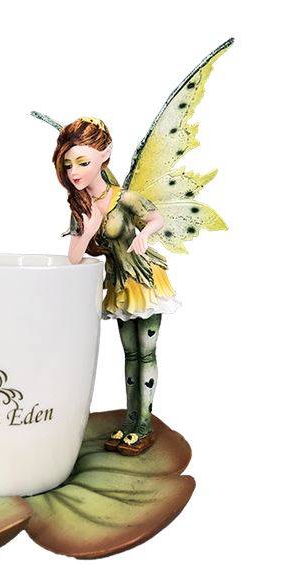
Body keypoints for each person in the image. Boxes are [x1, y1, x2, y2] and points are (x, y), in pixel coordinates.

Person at [53, 117, 180, 456]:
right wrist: (90, 224)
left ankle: (144, 425)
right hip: (120, 283)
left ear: (104, 156)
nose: (75, 171)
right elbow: (74, 257)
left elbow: (156, 218)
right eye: (69, 164)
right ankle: (131, 420)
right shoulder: (81, 208)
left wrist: (144, 234)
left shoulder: (124, 198)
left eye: (83, 162)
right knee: (130, 353)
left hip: (145, 278)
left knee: (146, 351)